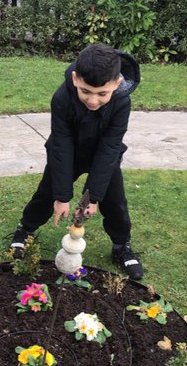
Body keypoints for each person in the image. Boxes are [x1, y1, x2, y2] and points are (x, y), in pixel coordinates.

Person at [9, 42, 145, 281]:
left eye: (102, 93)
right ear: (75, 79)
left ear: (117, 83)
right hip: (68, 153)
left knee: (115, 201)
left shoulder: (122, 101)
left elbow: (110, 146)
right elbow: (61, 143)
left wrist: (93, 197)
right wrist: (62, 196)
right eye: (86, 91)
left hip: (103, 156)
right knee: (46, 193)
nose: (93, 101)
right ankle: (26, 229)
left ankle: (121, 246)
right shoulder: (61, 98)